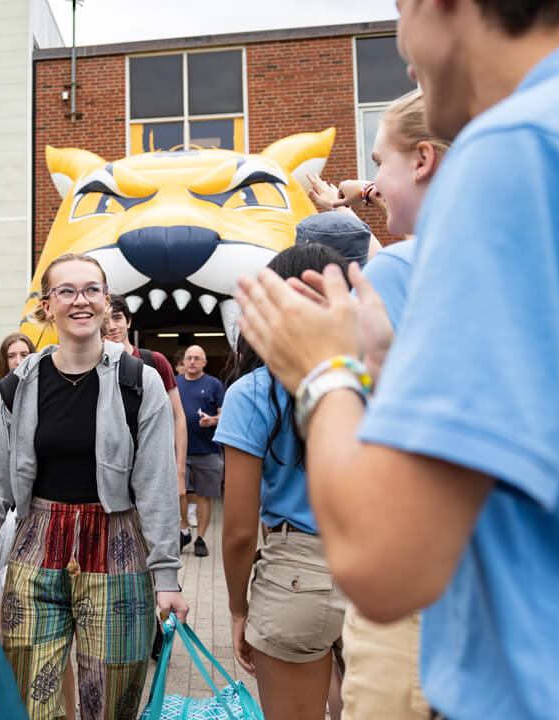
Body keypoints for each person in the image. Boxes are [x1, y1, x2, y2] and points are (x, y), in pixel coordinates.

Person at [234, 1, 559, 717]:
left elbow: (385, 563)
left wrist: (325, 372)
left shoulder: (526, 146)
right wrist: (394, 371)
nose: (402, 44)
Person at [0, 253, 188, 720]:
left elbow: (157, 486)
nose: (82, 301)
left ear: (106, 300)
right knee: (30, 704)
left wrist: (167, 577)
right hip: (35, 549)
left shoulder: (141, 381)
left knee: (111, 705)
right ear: (46, 305)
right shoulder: (17, 386)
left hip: (117, 547)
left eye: (92, 290)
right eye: (67, 291)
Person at [304, 88, 449, 720]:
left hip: (411, 591)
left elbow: (362, 467)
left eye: (378, 164)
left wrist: (317, 374)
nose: (371, 184)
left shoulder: (393, 275)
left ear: (422, 160)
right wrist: (357, 202)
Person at [218, 244, 350, 720]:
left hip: (294, 573)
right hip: (380, 565)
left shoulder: (251, 393)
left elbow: (236, 531)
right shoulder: (374, 378)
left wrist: (237, 607)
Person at [104, 293, 189, 548]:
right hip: (113, 476)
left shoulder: (154, 362)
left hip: (153, 471)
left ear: (128, 322)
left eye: (117, 318)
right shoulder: (95, 364)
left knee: (156, 545)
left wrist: (179, 472)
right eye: (106, 320)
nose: (111, 326)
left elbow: (178, 417)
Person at [175, 344, 224, 557]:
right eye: (189, 358)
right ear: (183, 362)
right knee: (179, 493)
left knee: (205, 495)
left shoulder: (214, 384)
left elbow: (224, 415)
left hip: (208, 450)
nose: (192, 362)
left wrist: (212, 420)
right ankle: (184, 529)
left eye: (197, 358)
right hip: (179, 451)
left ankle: (201, 538)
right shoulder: (174, 384)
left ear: (204, 362)